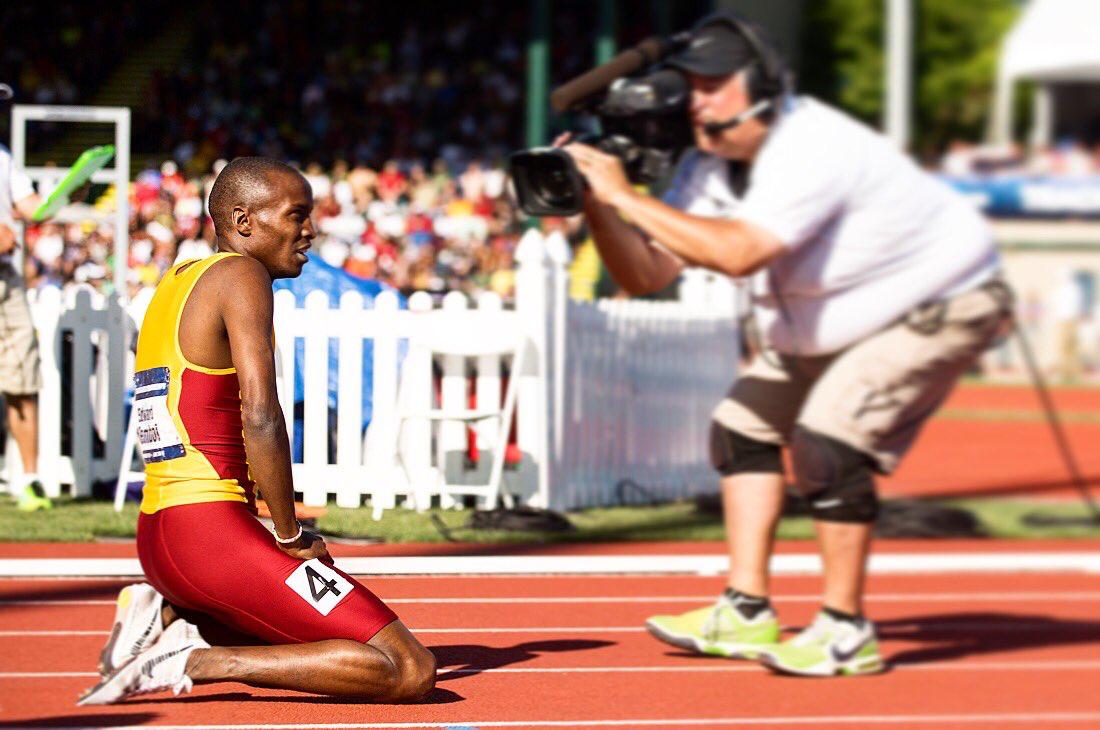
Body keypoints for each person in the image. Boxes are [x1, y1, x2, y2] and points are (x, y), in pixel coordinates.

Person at [562, 13, 1011, 676]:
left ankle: (844, 630)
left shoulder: (814, 146)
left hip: (938, 301)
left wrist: (625, 194)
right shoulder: (710, 164)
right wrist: (599, 205)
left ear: (763, 85)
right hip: (844, 311)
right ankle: (746, 609)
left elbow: (740, 254)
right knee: (740, 429)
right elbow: (647, 272)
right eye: (692, 85)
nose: (699, 98)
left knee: (829, 444)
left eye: (715, 84)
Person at [79, 157, 436, 705]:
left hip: (162, 534)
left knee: (300, 637)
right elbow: (260, 414)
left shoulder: (177, 280)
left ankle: (167, 613)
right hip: (209, 537)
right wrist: (290, 537)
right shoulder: (241, 275)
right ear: (243, 222)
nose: (310, 231)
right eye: (296, 216)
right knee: (408, 668)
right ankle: (192, 659)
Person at [0, 81, 87, 512]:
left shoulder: (3, 158)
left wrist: (68, 191)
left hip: (6, 279)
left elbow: (32, 208)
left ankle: (29, 482)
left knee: (23, 379)